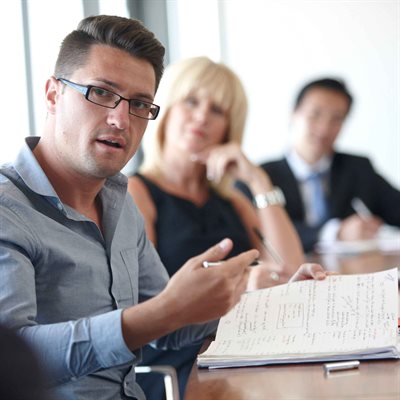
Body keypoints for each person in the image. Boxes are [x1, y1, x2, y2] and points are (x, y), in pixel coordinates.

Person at [0, 15, 328, 400]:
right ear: (53, 95)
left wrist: (278, 307)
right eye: (101, 93)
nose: (120, 119)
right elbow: (13, 357)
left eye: (139, 103)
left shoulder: (118, 201)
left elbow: (172, 322)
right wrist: (167, 311)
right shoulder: (9, 208)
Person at [127, 56, 305, 399]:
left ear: (229, 127)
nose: (202, 117)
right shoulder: (137, 192)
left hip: (243, 350)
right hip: (180, 364)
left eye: (217, 110)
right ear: (167, 110)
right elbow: (143, 306)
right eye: (191, 101)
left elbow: (291, 269)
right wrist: (240, 289)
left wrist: (258, 180)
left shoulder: (233, 201)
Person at [252, 78, 400, 252]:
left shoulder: (358, 168)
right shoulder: (261, 176)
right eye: (315, 114)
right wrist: (336, 232)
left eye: (336, 119)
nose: (324, 128)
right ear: (294, 114)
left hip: (347, 272)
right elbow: (260, 230)